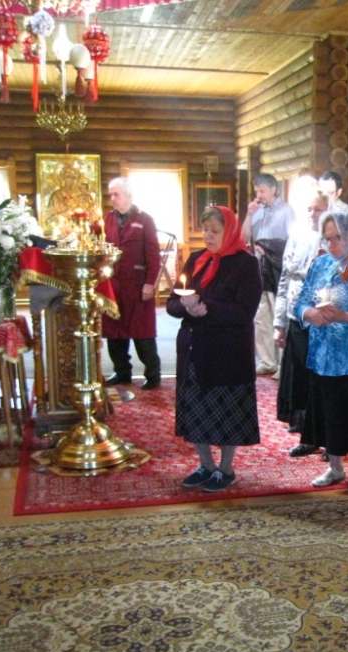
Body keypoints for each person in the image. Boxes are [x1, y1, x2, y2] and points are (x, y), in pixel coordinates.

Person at [167, 205, 262, 492]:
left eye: (215, 231)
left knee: (226, 412)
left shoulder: (246, 264)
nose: (208, 235)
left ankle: (226, 469)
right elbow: (172, 302)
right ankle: (206, 465)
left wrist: (205, 307)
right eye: (205, 230)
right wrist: (186, 308)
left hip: (228, 352)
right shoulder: (197, 259)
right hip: (194, 349)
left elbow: (244, 311)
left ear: (229, 231)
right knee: (196, 410)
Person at [294, 212, 348, 492]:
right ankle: (335, 467)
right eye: (327, 239)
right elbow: (301, 301)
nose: (331, 244)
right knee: (329, 412)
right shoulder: (321, 264)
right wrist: (310, 313)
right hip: (323, 353)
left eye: (337, 238)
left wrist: (343, 316)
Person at [274, 189, 329, 456]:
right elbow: (285, 278)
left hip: (328, 319)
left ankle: (328, 437)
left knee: (323, 379)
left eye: (318, 209)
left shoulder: (338, 236)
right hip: (298, 314)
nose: (313, 214)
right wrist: (279, 322)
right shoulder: (297, 236)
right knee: (300, 374)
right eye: (309, 209)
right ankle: (306, 430)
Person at [101, 176, 162, 390]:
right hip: (112, 285)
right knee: (114, 332)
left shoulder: (145, 220)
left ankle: (153, 374)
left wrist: (150, 283)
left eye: (116, 194)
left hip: (137, 286)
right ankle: (122, 372)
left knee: (142, 333)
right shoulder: (106, 219)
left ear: (128, 195)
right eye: (110, 194)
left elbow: (153, 255)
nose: (112, 198)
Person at [241, 173, 295, 376]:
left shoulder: (286, 211)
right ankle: (267, 361)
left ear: (274, 189)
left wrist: (270, 249)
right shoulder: (257, 210)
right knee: (261, 316)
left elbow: (293, 241)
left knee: (279, 317)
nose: (259, 195)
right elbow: (244, 237)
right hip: (259, 269)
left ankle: (282, 365)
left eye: (262, 191)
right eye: (257, 191)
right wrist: (249, 215)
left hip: (278, 270)